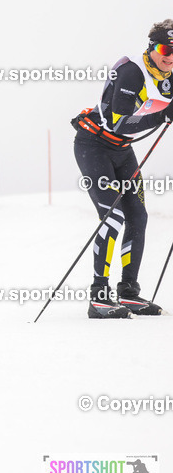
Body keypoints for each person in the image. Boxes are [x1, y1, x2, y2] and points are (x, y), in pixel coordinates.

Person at [72, 20, 173, 318]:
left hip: (122, 151)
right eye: (165, 49)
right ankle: (98, 297)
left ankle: (128, 293)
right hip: (94, 146)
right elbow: (119, 121)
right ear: (152, 47)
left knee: (138, 216)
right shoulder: (131, 72)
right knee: (113, 216)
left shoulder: (168, 72)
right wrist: (164, 115)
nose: (170, 56)